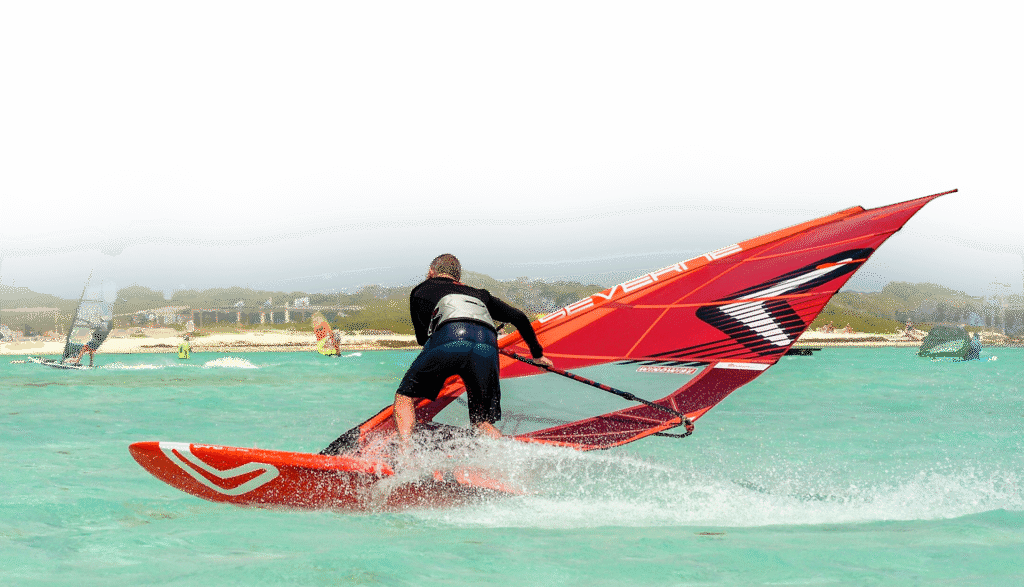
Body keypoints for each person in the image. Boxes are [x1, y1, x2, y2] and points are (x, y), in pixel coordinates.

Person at [392, 254, 553, 449]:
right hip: (487, 345)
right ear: (458, 277)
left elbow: (423, 339)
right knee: (481, 421)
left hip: (449, 339)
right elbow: (519, 317)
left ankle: (406, 456)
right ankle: (507, 457)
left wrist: (445, 366)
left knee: (404, 396)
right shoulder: (479, 294)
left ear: (431, 272)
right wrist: (537, 355)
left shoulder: (422, 290)